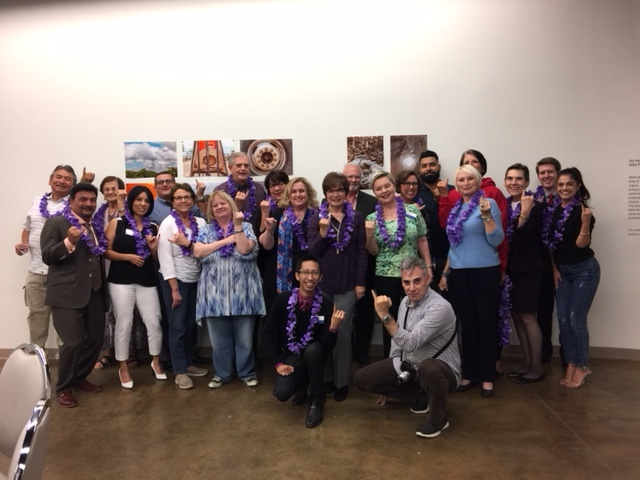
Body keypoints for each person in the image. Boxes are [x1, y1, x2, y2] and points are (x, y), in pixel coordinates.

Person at [354, 257, 460, 438]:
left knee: (429, 368)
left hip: (441, 369)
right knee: (362, 379)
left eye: (417, 281)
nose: (411, 288)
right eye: (406, 282)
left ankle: (438, 419)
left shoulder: (440, 307)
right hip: (411, 366)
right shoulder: (405, 302)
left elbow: (410, 342)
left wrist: (385, 315)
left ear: (428, 279)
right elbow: (398, 339)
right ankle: (421, 397)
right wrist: (389, 378)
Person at [40, 182, 107, 408]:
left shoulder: (94, 226)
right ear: (71, 202)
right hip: (66, 294)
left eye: (92, 200)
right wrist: (69, 241)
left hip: (95, 292)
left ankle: (79, 377)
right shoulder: (56, 223)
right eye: (83, 199)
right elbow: (48, 256)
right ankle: (64, 388)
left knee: (96, 339)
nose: (88, 204)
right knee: (72, 343)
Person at [440, 165, 504, 397]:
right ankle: (469, 372)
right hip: (459, 272)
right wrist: (445, 273)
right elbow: (453, 245)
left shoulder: (488, 204)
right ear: (456, 184)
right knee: (467, 324)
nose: (465, 183)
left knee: (486, 324)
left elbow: (497, 239)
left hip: (485, 271)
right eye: (461, 179)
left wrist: (486, 216)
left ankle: (487, 376)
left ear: (478, 182)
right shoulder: (456, 208)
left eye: (469, 179)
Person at [263, 255, 345, 428]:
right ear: (297, 275)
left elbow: (326, 347)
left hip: (314, 355)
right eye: (306, 272)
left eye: (315, 273)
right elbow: (268, 333)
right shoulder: (283, 300)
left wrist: (333, 328)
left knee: (314, 351)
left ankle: (316, 402)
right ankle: (302, 387)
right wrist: (278, 363)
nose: (310, 277)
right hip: (291, 355)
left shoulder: (326, 305)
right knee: (281, 393)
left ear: (320, 277)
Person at [194, 191, 265, 388]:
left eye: (223, 203)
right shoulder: (206, 230)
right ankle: (222, 374)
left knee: (245, 341)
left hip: (244, 294)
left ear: (232, 205)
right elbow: (198, 251)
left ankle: (247, 373)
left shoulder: (246, 227)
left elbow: (244, 249)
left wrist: (238, 227)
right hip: (214, 295)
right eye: (215, 205)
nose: (219, 207)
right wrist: (225, 241)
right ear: (211, 210)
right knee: (219, 342)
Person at [308, 172, 367, 401]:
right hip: (322, 288)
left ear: (346, 192)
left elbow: (361, 252)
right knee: (324, 331)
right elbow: (311, 252)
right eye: (331, 190)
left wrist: (360, 283)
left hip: (347, 287)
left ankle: (341, 381)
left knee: (342, 333)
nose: (335, 194)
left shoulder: (356, 218)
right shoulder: (316, 217)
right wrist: (323, 234)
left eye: (340, 189)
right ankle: (327, 379)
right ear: (325, 193)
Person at [543, 167, 600, 388]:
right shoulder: (553, 211)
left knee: (576, 319)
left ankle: (582, 366)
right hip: (562, 272)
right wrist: (554, 269)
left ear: (578, 186)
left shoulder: (583, 211)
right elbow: (550, 245)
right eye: (561, 184)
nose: (564, 188)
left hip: (584, 270)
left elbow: (581, 244)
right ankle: (571, 364)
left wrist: (585, 223)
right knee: (564, 320)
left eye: (569, 184)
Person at [365, 171, 431, 358]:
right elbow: (373, 251)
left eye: (387, 186)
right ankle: (392, 361)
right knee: (389, 318)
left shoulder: (412, 211)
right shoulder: (371, 218)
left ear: (394, 186)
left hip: (413, 274)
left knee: (416, 318)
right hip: (385, 276)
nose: (384, 191)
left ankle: (417, 361)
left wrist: (428, 267)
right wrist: (369, 235)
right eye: (379, 188)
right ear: (374, 193)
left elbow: (422, 239)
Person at [105, 186, 165, 389]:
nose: (143, 204)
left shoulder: (153, 227)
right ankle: (123, 368)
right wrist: (127, 257)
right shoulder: (117, 223)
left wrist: (153, 249)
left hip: (146, 281)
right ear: (131, 201)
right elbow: (105, 251)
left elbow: (156, 260)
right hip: (120, 281)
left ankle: (156, 362)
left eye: (147, 201)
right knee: (124, 323)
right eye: (139, 199)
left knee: (154, 321)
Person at [16, 165, 79, 352]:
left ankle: (65, 361)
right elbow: (27, 227)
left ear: (72, 185)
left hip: (62, 271)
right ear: (50, 180)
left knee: (65, 318)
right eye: (58, 177)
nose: (61, 181)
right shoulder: (37, 201)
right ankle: (36, 358)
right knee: (37, 317)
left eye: (67, 179)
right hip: (36, 270)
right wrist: (23, 244)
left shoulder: (74, 205)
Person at [157, 183, 209, 389]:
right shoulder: (168, 224)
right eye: (178, 198)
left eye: (187, 197)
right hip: (175, 281)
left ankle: (188, 363)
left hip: (196, 280)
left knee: (190, 325)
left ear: (193, 200)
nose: (183, 201)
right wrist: (174, 289)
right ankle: (179, 371)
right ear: (172, 202)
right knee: (177, 326)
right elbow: (165, 258)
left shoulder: (200, 222)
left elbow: (203, 250)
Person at [503, 164, 545, 383]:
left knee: (528, 316)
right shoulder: (503, 205)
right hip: (511, 269)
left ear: (527, 182)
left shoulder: (535, 205)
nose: (514, 182)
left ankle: (536, 368)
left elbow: (521, 238)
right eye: (510, 178)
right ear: (505, 182)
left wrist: (526, 214)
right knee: (517, 316)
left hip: (529, 269)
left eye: (519, 179)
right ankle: (527, 363)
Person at [343, 162, 378, 366]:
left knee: (365, 310)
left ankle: (362, 352)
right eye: (350, 176)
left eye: (357, 176)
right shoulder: (330, 200)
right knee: (343, 309)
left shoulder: (371, 201)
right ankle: (344, 351)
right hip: (342, 264)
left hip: (365, 263)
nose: (354, 180)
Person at [259, 177, 319, 295]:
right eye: (293, 191)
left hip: (308, 274)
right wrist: (269, 231)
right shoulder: (278, 213)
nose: (298, 194)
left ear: (308, 193)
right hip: (280, 274)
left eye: (301, 191)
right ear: (288, 195)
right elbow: (267, 246)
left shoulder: (317, 216)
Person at [415, 150, 454, 295]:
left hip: (450, 257)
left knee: (451, 301)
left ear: (439, 167)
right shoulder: (415, 193)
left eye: (432, 164)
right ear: (419, 169)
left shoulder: (452, 191)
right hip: (424, 259)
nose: (428, 168)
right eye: (424, 166)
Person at [535, 157, 562, 363]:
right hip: (541, 265)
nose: (546, 176)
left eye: (550, 172)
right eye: (542, 172)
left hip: (565, 262)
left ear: (557, 174)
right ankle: (543, 354)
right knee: (543, 311)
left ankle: (568, 357)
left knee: (565, 314)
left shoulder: (568, 197)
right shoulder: (533, 199)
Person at [214, 152, 267, 233]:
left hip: (256, 238)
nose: (243, 168)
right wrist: (237, 206)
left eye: (246, 165)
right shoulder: (220, 191)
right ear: (230, 168)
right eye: (238, 165)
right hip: (229, 238)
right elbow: (215, 219)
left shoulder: (259, 189)